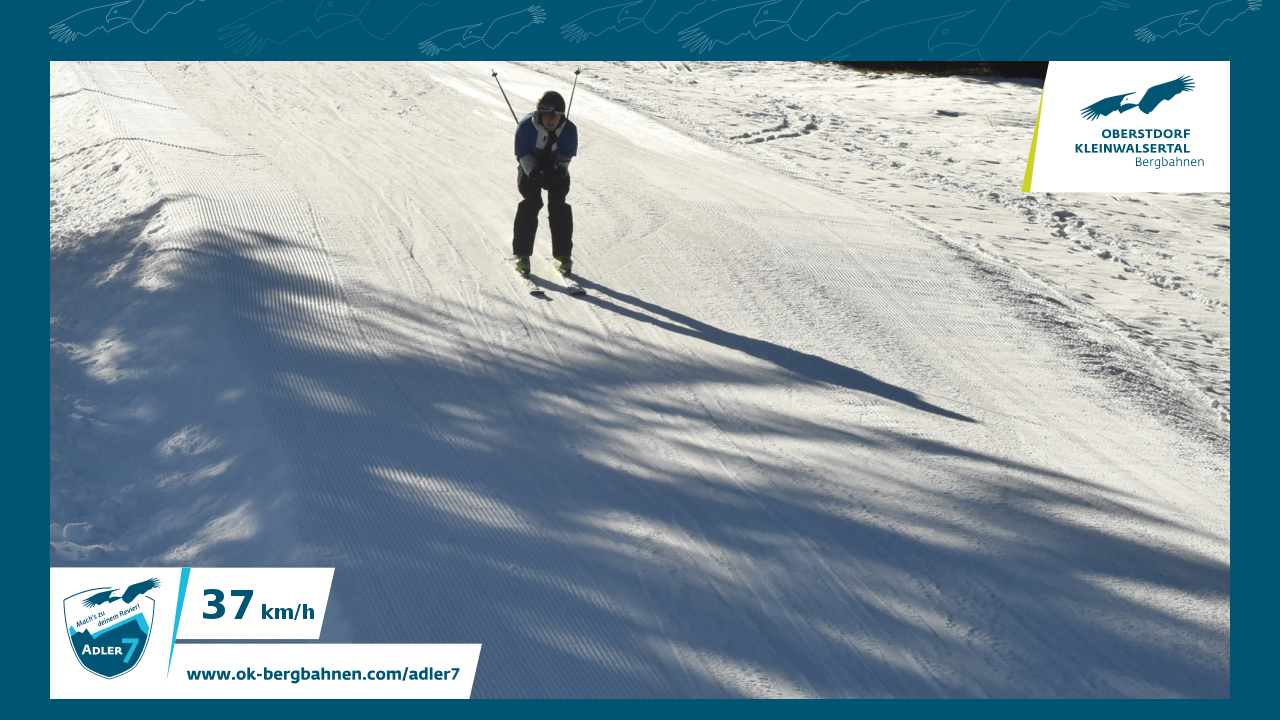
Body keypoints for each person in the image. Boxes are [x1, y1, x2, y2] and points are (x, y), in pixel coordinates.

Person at [512, 90, 579, 277]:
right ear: (540, 114)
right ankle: (522, 255)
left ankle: (563, 256)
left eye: (555, 117)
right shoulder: (525, 127)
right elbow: (523, 153)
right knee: (531, 203)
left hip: (556, 167)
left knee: (558, 206)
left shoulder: (569, 130)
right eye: (547, 116)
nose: (551, 121)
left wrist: (560, 171)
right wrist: (534, 173)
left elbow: (566, 155)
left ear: (561, 117)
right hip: (530, 167)